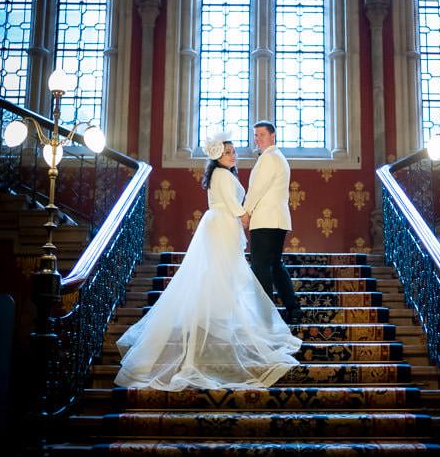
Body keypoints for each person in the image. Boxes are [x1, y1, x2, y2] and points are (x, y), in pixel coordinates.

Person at [114, 132, 301, 391]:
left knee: (223, 273)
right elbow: (231, 203)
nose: (233, 155)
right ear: (217, 156)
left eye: (234, 151)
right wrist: (245, 216)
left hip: (222, 224)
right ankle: (222, 323)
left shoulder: (223, 174)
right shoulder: (222, 175)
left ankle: (221, 320)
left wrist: (241, 215)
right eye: (228, 152)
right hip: (222, 223)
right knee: (226, 272)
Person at [242, 121, 303, 324]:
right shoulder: (279, 158)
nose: (257, 138)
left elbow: (258, 188)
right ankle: (293, 308)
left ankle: (265, 315)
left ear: (272, 136)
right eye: (255, 135)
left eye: (261, 134)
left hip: (266, 219)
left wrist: (246, 211)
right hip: (278, 220)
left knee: (260, 265)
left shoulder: (269, 158)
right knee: (275, 265)